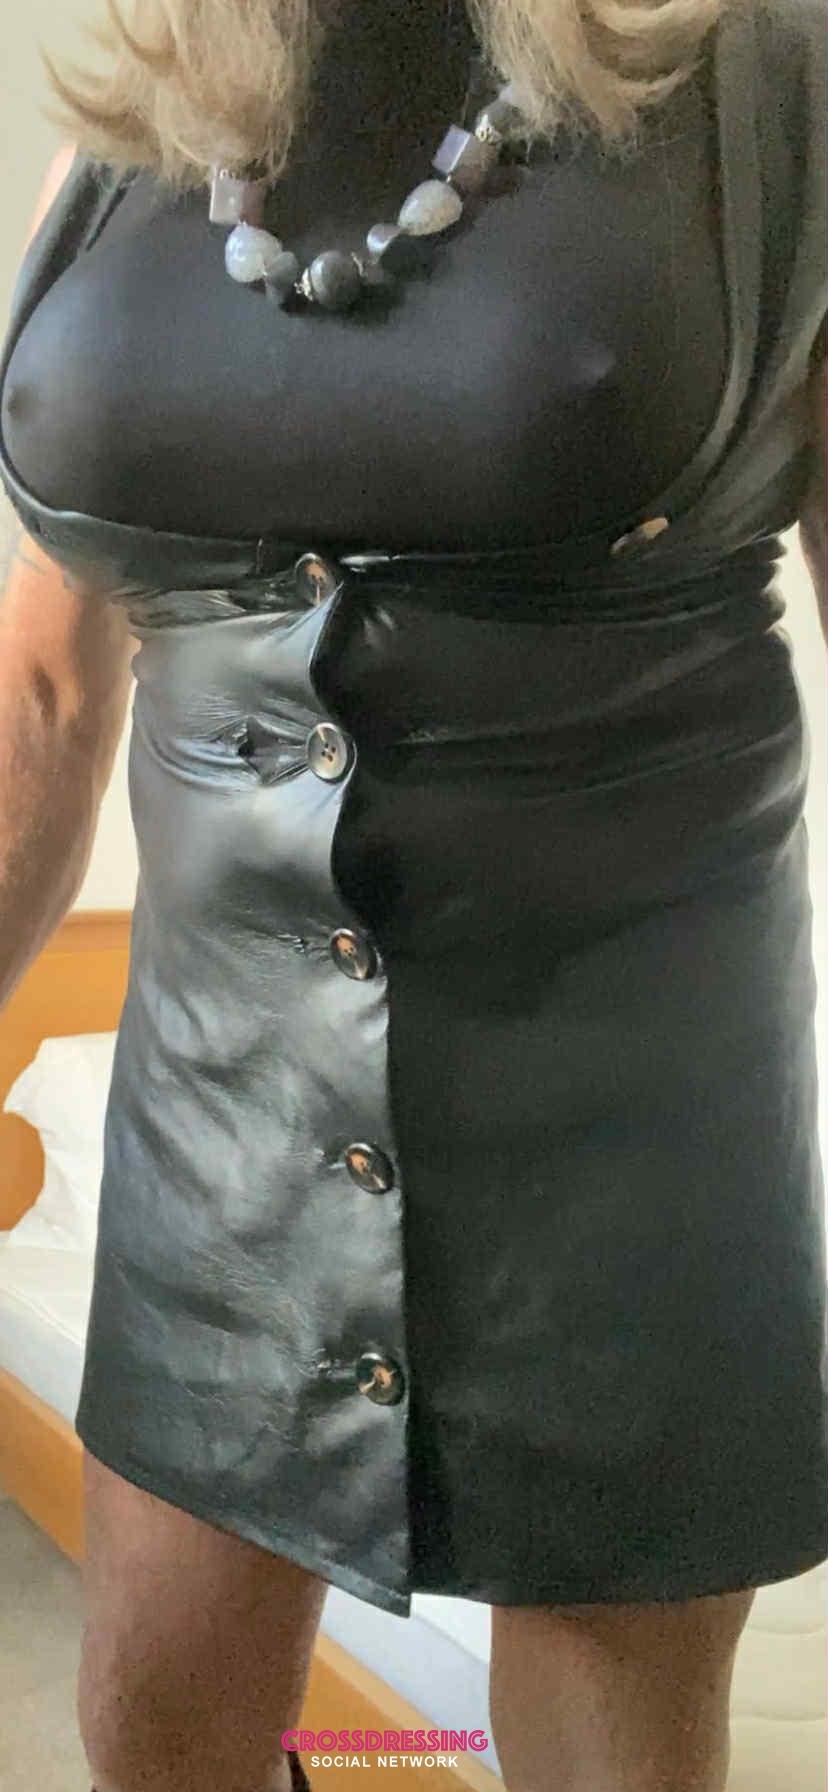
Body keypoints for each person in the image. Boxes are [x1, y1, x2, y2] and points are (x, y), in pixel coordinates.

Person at [0, 0, 826, 1788]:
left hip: (636, 1126)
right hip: (214, 1118)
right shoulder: (130, 143)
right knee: (153, 1729)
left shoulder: (774, 98)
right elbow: (47, 696)